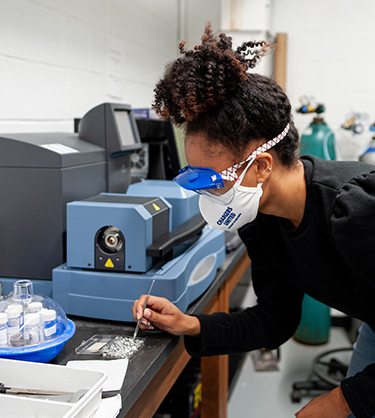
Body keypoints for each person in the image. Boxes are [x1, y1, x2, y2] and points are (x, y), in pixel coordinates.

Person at [132, 23, 375, 418]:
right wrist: (191, 325)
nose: (204, 195)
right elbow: (275, 319)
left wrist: (340, 399)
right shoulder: (260, 219)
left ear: (260, 166)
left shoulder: (353, 211)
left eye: (210, 180)